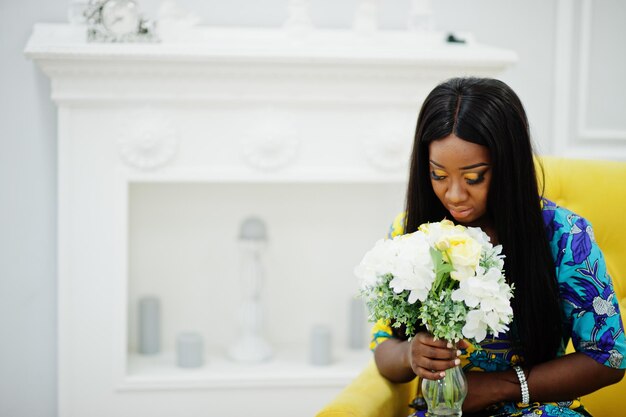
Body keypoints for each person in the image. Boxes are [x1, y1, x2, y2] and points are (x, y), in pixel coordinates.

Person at [371, 77, 626, 417]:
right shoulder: (410, 233)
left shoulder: (565, 236)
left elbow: (608, 357)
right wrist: (410, 355)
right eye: (438, 174)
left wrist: (497, 387)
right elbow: (383, 348)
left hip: (539, 409)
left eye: (473, 177)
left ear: (509, 166)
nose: (455, 194)